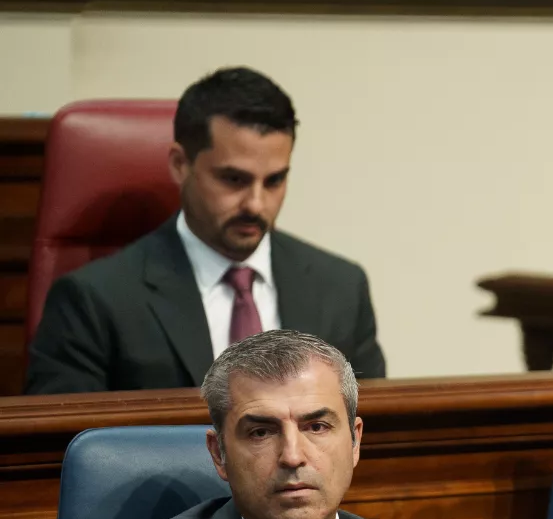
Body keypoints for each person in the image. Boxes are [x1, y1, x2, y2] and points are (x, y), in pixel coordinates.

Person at [26, 67, 386, 394]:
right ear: (180, 165)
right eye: (234, 179)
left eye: (274, 181)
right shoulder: (94, 301)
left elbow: (371, 429)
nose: (256, 204)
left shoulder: (341, 289)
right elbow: (64, 439)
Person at [90, 329, 459, 519]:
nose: (293, 456)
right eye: (261, 432)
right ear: (218, 453)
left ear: (354, 441)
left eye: (317, 426)